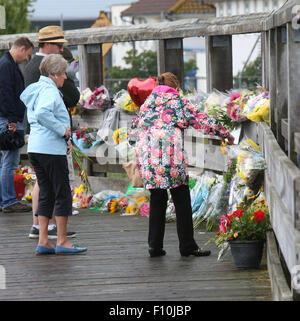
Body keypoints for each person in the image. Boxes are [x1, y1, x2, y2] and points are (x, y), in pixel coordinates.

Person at [130, 72, 234, 257]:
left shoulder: (147, 103)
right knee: (181, 197)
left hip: (148, 156)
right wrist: (225, 133)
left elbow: (133, 130)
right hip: (171, 155)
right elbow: (202, 120)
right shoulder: (178, 101)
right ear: (175, 86)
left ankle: (154, 246)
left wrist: (139, 145)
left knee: (157, 198)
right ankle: (187, 245)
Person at [20, 54, 87, 255]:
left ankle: (43, 240)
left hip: (36, 148)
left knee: (47, 193)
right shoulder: (50, 91)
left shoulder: (37, 88)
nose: (65, 77)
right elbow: (42, 113)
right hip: (50, 149)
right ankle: (63, 240)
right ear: (53, 74)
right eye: (63, 73)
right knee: (62, 192)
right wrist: (63, 131)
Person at [23, 26, 79, 239]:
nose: (62, 48)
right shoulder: (48, 82)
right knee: (57, 190)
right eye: (59, 45)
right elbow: (47, 110)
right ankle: (55, 235)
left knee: (43, 186)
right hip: (48, 141)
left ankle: (42, 233)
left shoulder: (31, 67)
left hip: (37, 139)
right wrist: (63, 130)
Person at [0, 37, 34, 213]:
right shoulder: (7, 66)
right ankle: (9, 201)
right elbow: (5, 94)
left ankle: (4, 199)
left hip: (8, 117)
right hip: (8, 119)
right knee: (10, 162)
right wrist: (12, 120)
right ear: (22, 48)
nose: (27, 59)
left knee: (6, 161)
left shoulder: (7, 64)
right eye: (27, 54)